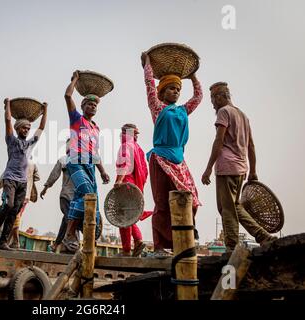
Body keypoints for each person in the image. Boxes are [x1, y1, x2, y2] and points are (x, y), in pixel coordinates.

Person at [201, 82, 277, 251]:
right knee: (234, 206)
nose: (212, 103)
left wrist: (207, 169)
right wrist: (253, 170)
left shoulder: (224, 112)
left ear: (221, 97)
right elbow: (251, 146)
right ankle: (263, 236)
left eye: (213, 99)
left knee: (226, 209)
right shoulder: (243, 115)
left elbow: (218, 141)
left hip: (226, 167)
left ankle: (231, 247)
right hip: (241, 169)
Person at [141, 52, 203, 256]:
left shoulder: (183, 110)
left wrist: (193, 76)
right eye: (171, 89)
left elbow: (198, 97)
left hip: (178, 160)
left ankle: (182, 237)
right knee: (162, 202)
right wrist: (147, 63)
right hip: (160, 158)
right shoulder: (158, 108)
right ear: (162, 92)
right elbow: (149, 84)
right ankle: (159, 246)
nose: (175, 92)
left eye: (178, 89)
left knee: (189, 198)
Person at [0, 97, 48, 250]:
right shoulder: (11, 140)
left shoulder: (30, 144)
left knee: (15, 211)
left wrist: (45, 111)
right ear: (18, 128)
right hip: (10, 178)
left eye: (28, 128)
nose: (26, 130)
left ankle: (3, 242)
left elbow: (41, 128)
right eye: (23, 128)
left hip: (23, 182)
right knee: (8, 204)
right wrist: (7, 105)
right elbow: (7, 121)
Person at [61, 71, 110, 253]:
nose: (93, 106)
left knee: (82, 199)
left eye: (95, 104)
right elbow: (67, 96)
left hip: (90, 165)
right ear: (83, 106)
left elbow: (95, 152)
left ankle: (73, 237)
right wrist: (74, 79)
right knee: (87, 193)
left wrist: (103, 171)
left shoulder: (95, 128)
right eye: (89, 104)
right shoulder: (77, 119)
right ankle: (71, 233)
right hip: (75, 161)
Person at [114, 124, 150, 257]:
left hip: (126, 184)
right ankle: (139, 240)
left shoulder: (126, 146)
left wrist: (119, 180)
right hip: (135, 187)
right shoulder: (138, 148)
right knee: (130, 216)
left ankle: (126, 250)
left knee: (122, 217)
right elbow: (144, 172)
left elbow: (125, 164)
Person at [40, 138, 75, 253]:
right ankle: (66, 243)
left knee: (69, 219)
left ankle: (59, 244)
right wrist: (46, 188)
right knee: (69, 218)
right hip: (65, 196)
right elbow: (54, 175)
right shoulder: (63, 160)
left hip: (77, 198)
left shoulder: (82, 160)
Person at [8, 159, 39, 249]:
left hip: (18, 193)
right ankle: (10, 241)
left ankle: (16, 242)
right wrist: (30, 178)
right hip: (26, 196)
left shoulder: (17, 159)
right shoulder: (33, 163)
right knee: (14, 217)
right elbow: (37, 177)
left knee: (15, 217)